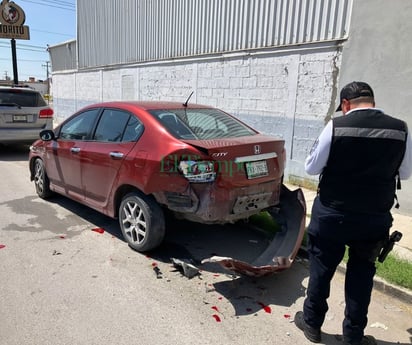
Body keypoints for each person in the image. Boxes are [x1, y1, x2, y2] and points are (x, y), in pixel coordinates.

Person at [294, 81, 412, 345]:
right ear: (372, 100)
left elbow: (312, 167)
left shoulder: (336, 126)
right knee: (361, 277)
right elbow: (404, 173)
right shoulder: (400, 129)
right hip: (373, 218)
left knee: (321, 271)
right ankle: (353, 336)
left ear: (345, 105)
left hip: (332, 215)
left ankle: (312, 325)